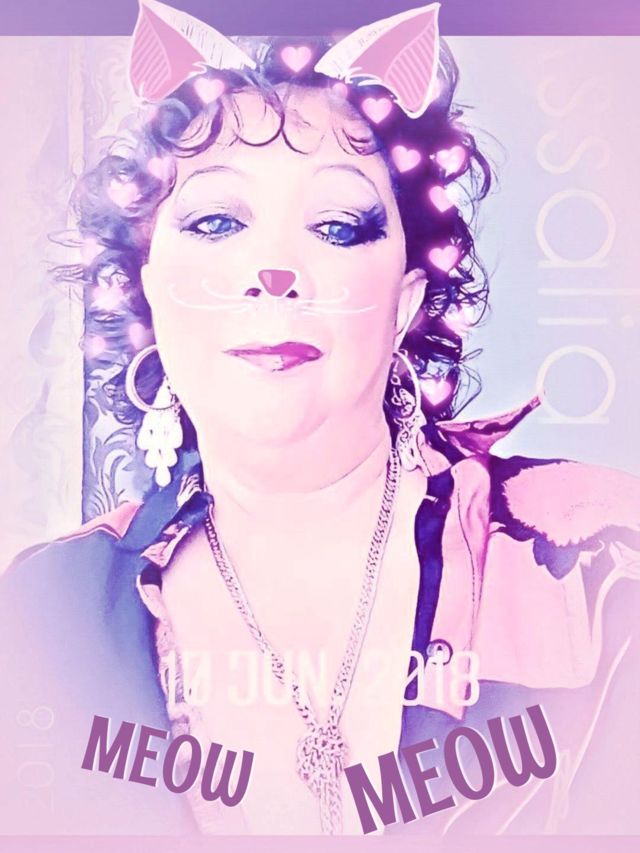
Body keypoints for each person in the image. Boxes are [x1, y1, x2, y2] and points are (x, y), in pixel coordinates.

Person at [1, 0, 639, 837]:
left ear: (405, 301)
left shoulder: (604, 567)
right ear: (148, 288)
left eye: (337, 226)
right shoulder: (42, 612)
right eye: (217, 221)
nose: (274, 271)